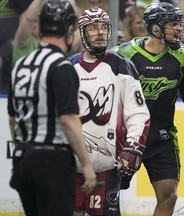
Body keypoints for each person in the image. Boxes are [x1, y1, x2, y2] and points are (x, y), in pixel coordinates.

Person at [113, 2, 184, 215]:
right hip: (125, 139)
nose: (180, 29)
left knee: (169, 196)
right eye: (173, 24)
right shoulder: (123, 54)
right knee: (110, 195)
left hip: (162, 139)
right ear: (155, 27)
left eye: (179, 24)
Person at [7, 1, 96, 215]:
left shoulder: (21, 64)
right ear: (68, 30)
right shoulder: (62, 66)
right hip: (52, 162)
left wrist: (25, 149)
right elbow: (68, 119)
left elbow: (12, 118)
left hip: (23, 160)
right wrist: (86, 164)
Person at [69, 7, 150, 216]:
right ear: (83, 32)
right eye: (93, 28)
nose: (100, 33)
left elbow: (138, 113)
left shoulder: (122, 66)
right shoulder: (68, 67)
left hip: (107, 165)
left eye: (104, 27)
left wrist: (133, 145)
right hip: (70, 165)